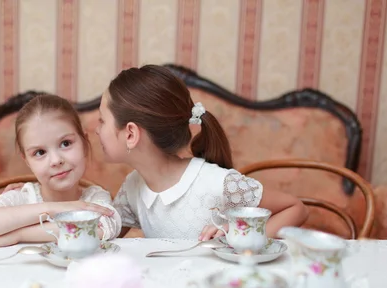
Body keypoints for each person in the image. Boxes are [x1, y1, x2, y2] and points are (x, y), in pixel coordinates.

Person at [94, 65, 308, 240]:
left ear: (130, 133)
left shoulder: (217, 183)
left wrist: (238, 238)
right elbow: (103, 234)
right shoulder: (132, 186)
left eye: (102, 121)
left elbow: (295, 208)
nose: (96, 129)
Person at [0, 94, 121, 250]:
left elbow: (103, 229)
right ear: (27, 160)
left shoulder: (94, 197)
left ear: (84, 143)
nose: (56, 160)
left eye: (65, 143)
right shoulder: (23, 196)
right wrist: (55, 209)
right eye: (40, 153)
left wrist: (18, 234)